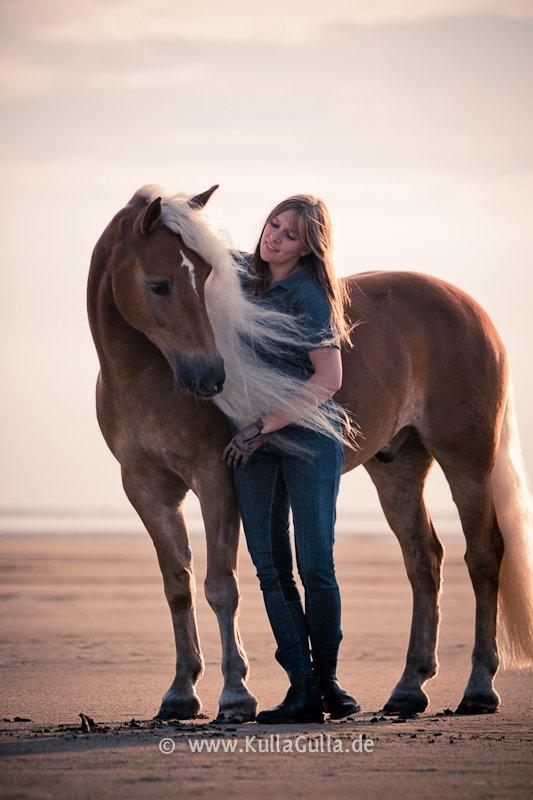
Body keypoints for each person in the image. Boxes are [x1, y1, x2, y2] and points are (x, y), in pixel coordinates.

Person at [222, 195, 360, 724]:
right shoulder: (240, 275)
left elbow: (329, 380)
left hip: (307, 438)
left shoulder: (310, 295)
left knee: (316, 566)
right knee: (269, 567)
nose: (274, 237)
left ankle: (328, 683)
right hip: (253, 446)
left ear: (308, 247)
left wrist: (263, 424)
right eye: (273, 224)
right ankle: (302, 689)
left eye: (290, 234)